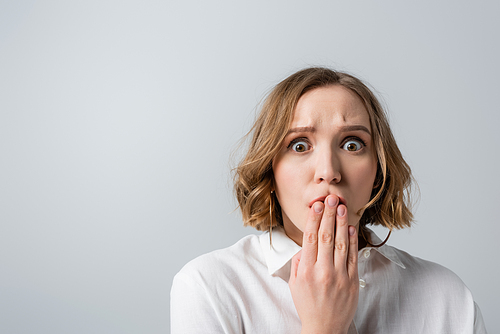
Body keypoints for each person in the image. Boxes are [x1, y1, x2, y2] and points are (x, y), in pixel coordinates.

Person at [170, 67, 487, 333]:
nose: (328, 172)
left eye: (352, 145)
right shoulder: (210, 287)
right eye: (299, 145)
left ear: (379, 169)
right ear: (269, 170)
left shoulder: (448, 297)